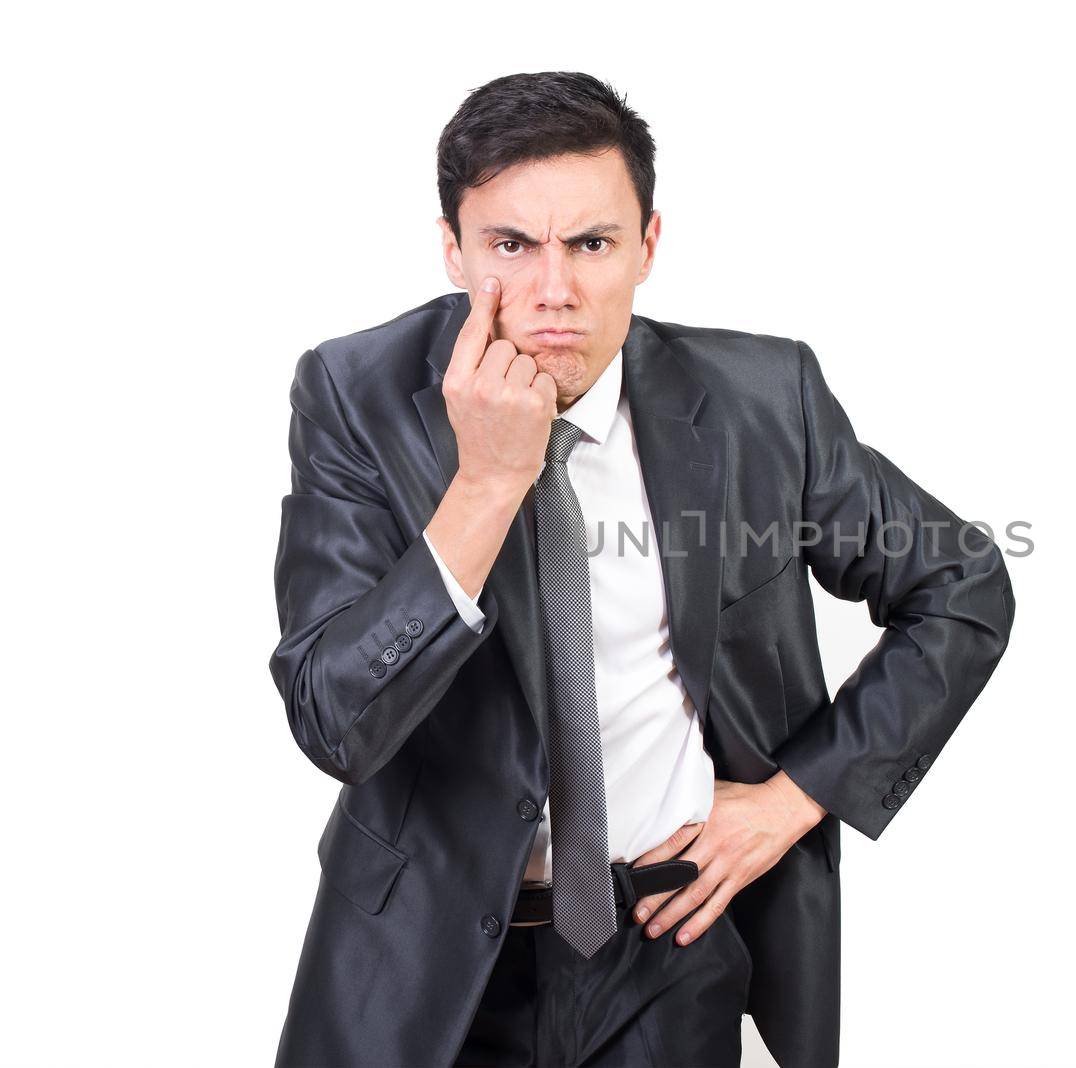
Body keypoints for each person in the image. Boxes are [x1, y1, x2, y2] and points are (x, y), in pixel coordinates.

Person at [268, 71, 1015, 1068]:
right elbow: (334, 720)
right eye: (509, 246)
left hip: (671, 950)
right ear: (451, 249)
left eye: (590, 243)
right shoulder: (356, 397)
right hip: (430, 958)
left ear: (647, 246)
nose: (553, 291)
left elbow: (960, 584)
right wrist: (488, 483)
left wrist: (796, 798)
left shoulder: (760, 402)